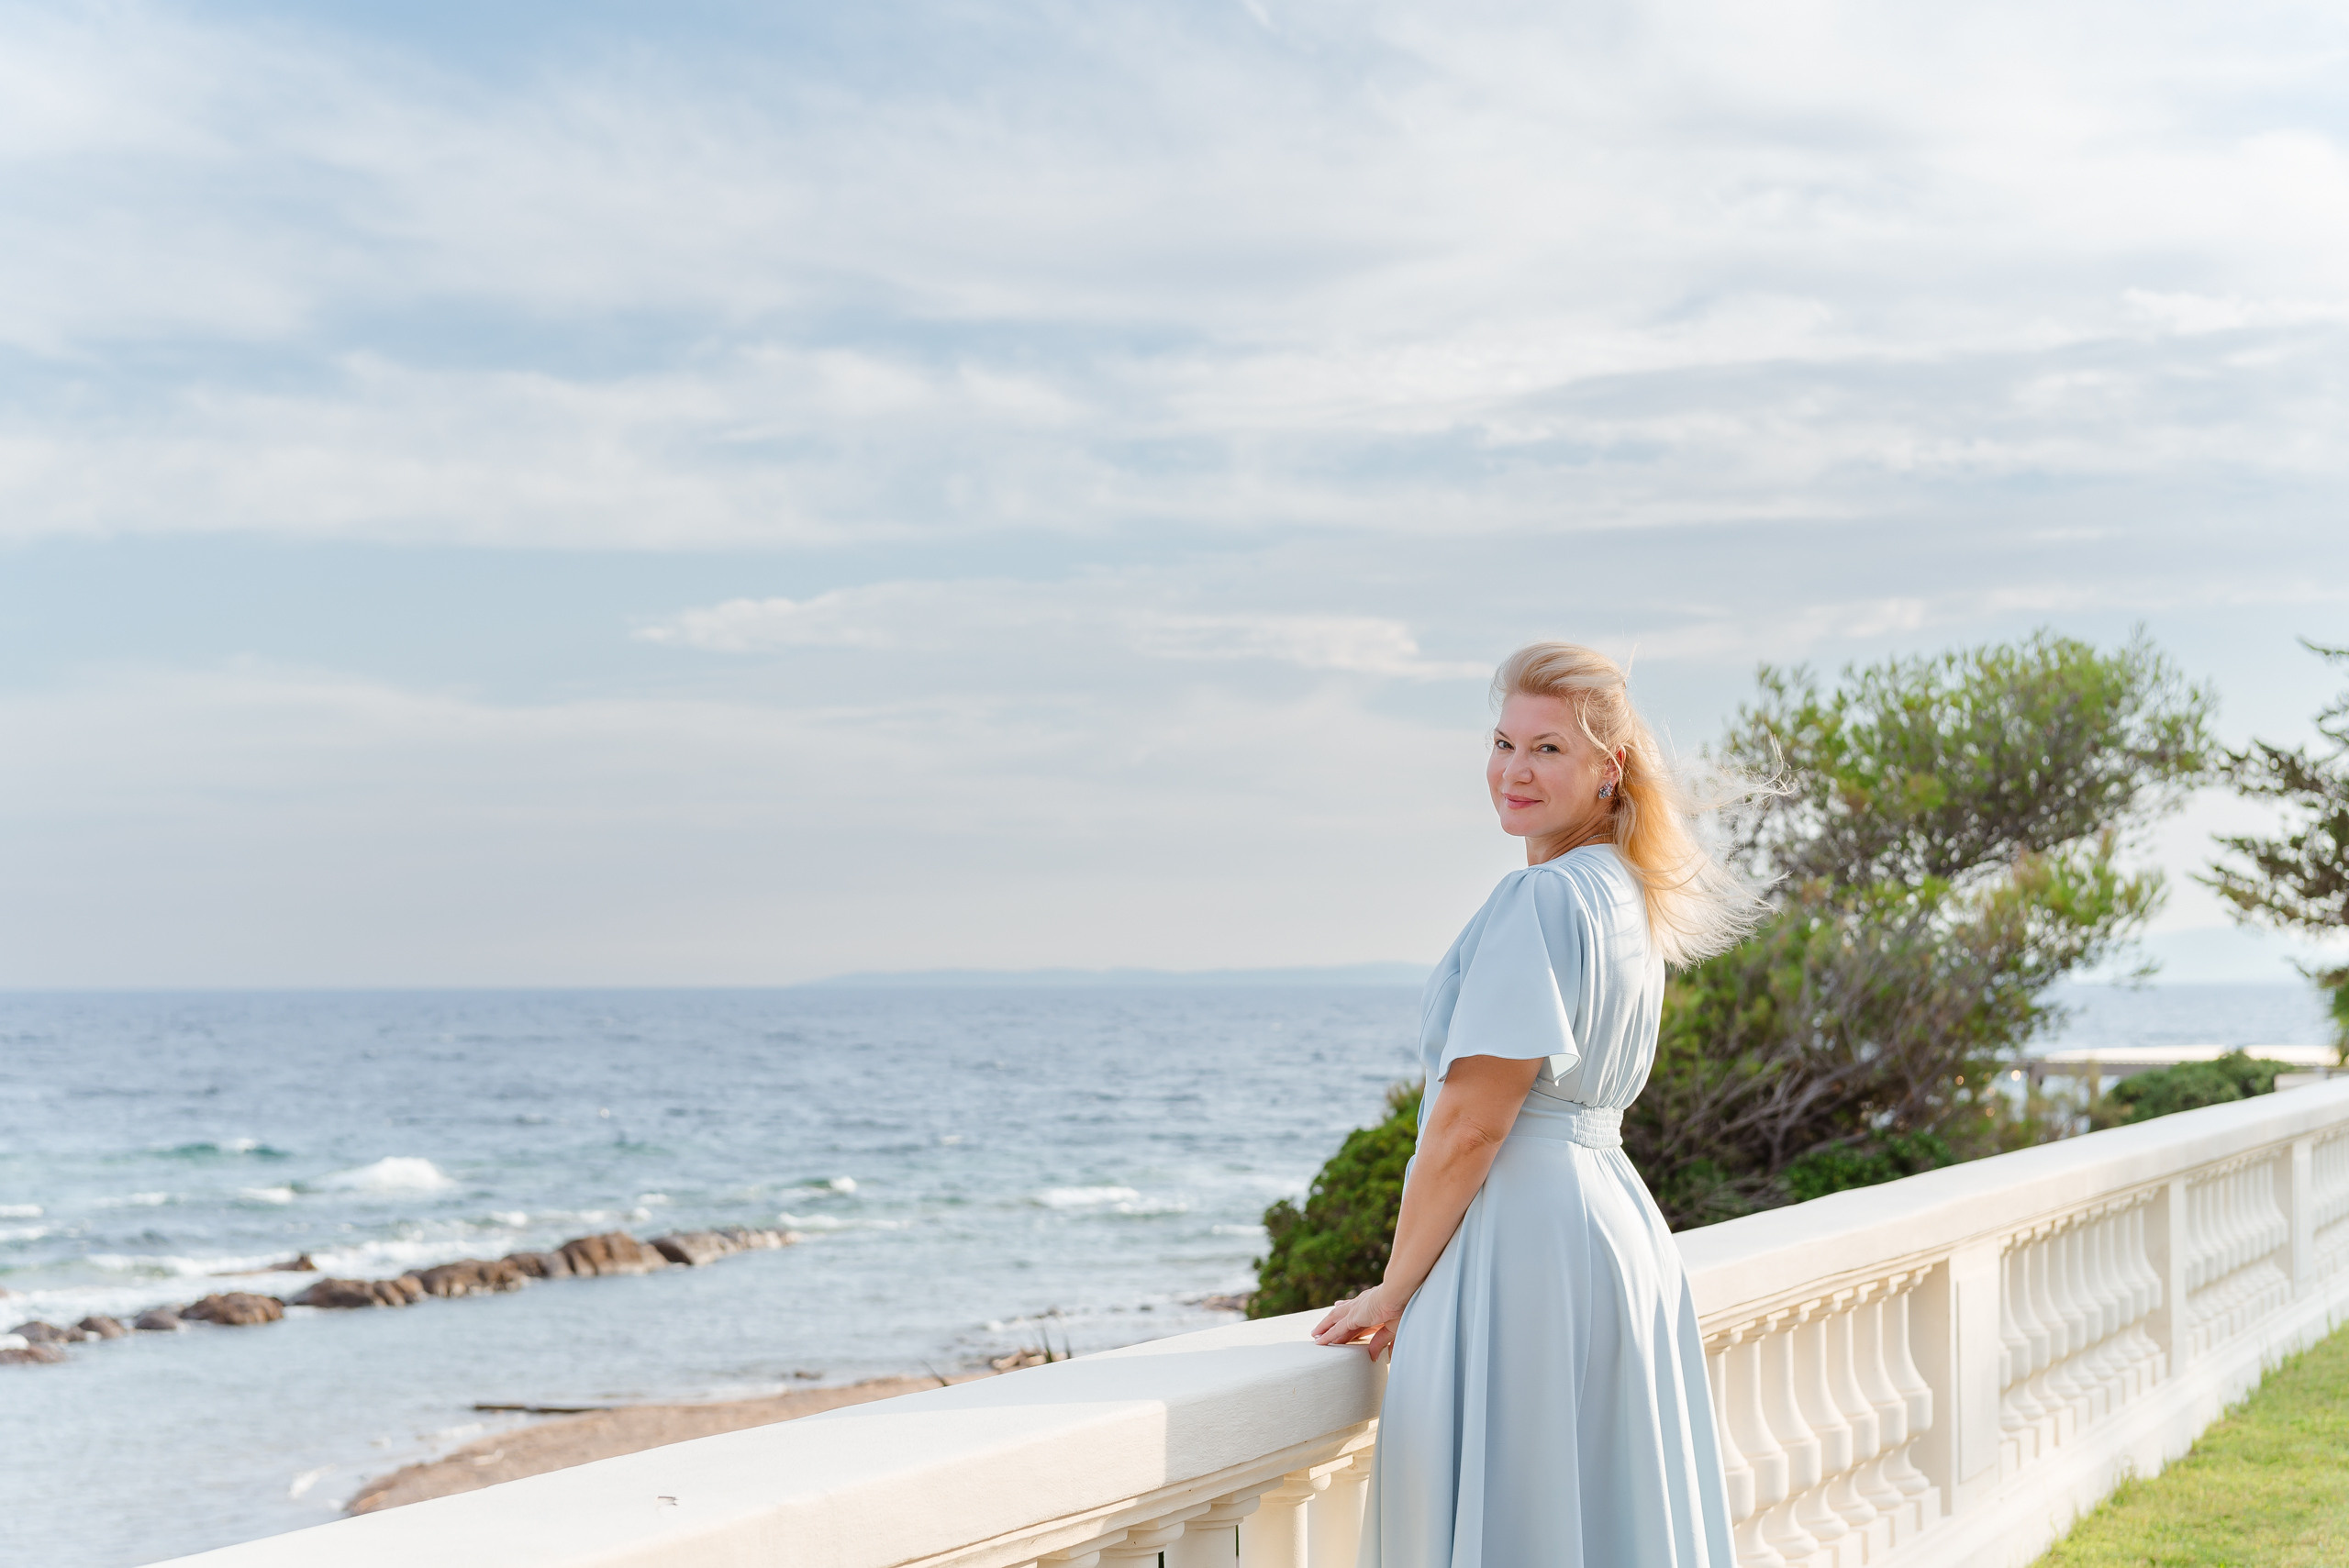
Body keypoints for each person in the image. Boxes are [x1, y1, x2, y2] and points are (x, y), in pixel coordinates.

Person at [1311, 641, 1758, 1567]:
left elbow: (1472, 1124)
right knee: (1592, 1514)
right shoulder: (1624, 894)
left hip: (1526, 1245)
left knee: (1521, 1517)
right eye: (1503, 741)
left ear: (1609, 768)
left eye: (1548, 748)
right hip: (1611, 1230)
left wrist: (1395, 1287)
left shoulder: (1540, 899)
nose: (1514, 769)